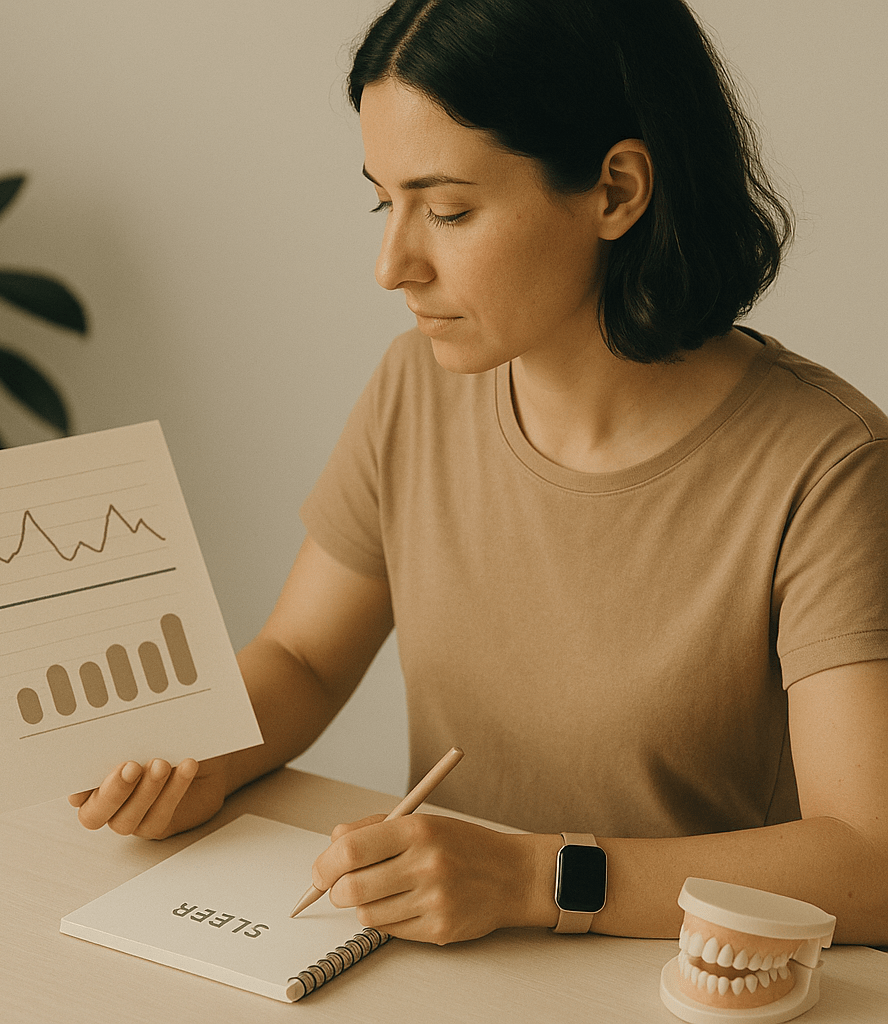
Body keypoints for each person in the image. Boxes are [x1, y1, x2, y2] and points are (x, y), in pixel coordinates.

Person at [70, 0, 888, 947]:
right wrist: (201, 749)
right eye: (387, 202)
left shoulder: (828, 469)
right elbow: (302, 657)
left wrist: (534, 876)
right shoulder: (416, 386)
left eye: (447, 209)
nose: (391, 264)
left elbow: (868, 862)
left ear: (618, 192)